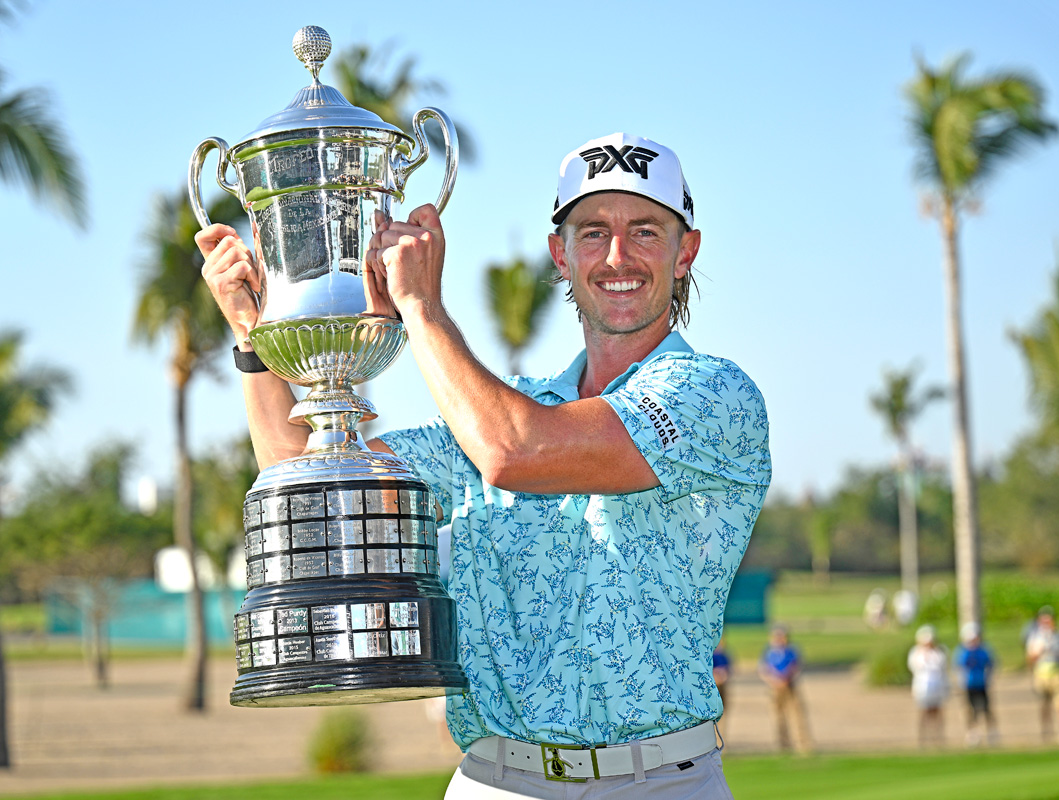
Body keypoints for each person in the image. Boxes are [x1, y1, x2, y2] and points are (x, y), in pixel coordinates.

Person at [197, 132, 772, 797]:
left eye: (645, 231)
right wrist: (250, 335)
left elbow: (514, 451)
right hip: (495, 780)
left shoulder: (715, 394)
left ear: (685, 252)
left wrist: (421, 307)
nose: (618, 256)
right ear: (561, 254)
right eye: (592, 233)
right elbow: (304, 481)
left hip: (659, 782)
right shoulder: (499, 410)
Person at [757, 626, 813, 753]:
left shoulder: (791, 651)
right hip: (775, 687)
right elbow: (763, 669)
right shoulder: (769, 652)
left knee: (797, 714)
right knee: (778, 716)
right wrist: (773, 680)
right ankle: (783, 744)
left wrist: (788, 677)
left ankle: (803, 743)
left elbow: (797, 666)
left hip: (790, 685)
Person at [1025, 606, 1059, 744]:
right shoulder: (1035, 637)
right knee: (1044, 703)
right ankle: (1047, 731)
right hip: (1042, 673)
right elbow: (1030, 658)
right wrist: (1038, 654)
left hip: (1057, 672)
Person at [953, 622, 998, 746]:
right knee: (970, 710)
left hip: (981, 683)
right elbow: (959, 667)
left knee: (986, 708)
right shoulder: (962, 651)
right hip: (969, 684)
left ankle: (992, 732)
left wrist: (989, 677)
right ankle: (973, 733)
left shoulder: (983, 650)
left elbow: (991, 664)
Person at [907, 625, 948, 747]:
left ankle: (937, 737)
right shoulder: (916, 653)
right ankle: (923, 738)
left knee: (937, 712)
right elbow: (915, 667)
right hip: (923, 687)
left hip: (937, 686)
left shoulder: (939, 652)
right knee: (924, 712)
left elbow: (942, 666)